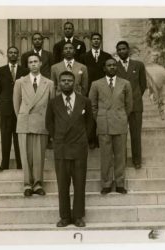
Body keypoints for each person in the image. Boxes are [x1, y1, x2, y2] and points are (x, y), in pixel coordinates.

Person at [46, 71, 93, 227]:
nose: (66, 83)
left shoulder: (84, 101)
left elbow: (90, 123)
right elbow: (49, 124)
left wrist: (83, 138)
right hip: (62, 148)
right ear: (59, 84)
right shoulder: (53, 102)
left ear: (75, 83)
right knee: (62, 185)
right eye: (63, 81)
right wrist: (57, 138)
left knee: (80, 184)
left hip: (79, 148)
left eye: (69, 81)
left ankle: (78, 216)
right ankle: (65, 217)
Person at [89, 58, 133, 195]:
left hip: (120, 122)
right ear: (104, 68)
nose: (112, 67)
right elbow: (92, 105)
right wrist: (101, 118)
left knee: (120, 155)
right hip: (104, 123)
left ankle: (120, 183)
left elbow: (129, 105)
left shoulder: (125, 83)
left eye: (114, 65)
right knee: (106, 156)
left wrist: (121, 116)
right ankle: (106, 183)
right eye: (109, 65)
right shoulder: (96, 84)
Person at [13, 53, 55, 197]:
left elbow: (51, 105)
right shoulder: (20, 82)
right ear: (27, 65)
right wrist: (23, 117)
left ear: (41, 63)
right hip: (25, 122)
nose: (33, 64)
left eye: (36, 61)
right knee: (25, 155)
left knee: (38, 156)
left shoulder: (49, 83)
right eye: (30, 62)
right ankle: (27, 184)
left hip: (41, 122)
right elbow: (16, 104)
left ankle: (37, 184)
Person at [0, 46, 28, 172]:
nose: (13, 55)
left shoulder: (24, 71)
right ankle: (4, 164)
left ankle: (20, 164)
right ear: (7, 55)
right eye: (10, 53)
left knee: (19, 137)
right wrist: (3, 103)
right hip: (6, 110)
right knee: (5, 136)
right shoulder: (0, 71)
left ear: (18, 55)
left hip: (20, 110)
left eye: (15, 53)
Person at [115, 41, 147, 169]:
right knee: (121, 135)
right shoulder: (114, 67)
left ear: (128, 50)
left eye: (124, 49)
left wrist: (134, 98)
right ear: (117, 52)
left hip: (136, 105)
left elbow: (143, 85)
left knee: (135, 133)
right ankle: (121, 161)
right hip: (120, 106)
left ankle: (137, 160)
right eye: (119, 50)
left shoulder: (138, 65)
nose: (122, 51)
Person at [80, 32, 112, 149]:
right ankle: (91, 139)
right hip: (89, 89)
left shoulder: (107, 56)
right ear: (90, 41)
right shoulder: (84, 57)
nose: (96, 41)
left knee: (103, 113)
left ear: (101, 41)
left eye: (98, 39)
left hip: (104, 88)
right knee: (90, 114)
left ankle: (102, 139)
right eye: (94, 39)